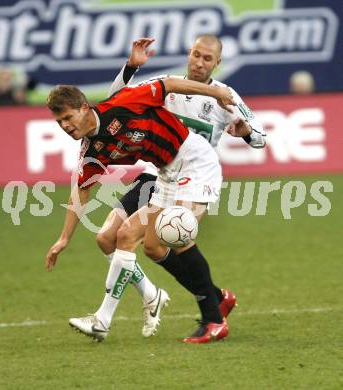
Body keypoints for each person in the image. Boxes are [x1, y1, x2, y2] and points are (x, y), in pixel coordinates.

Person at [64, 36, 266, 342]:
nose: (199, 62)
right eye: (196, 55)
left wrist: (246, 131)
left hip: (196, 172)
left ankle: (212, 315)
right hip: (158, 172)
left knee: (171, 235)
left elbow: (260, 137)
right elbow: (113, 103)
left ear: (217, 63)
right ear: (189, 54)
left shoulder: (226, 96)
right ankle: (211, 299)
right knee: (138, 242)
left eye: (207, 58)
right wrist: (131, 66)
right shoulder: (167, 84)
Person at [45, 74, 237, 343]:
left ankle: (214, 321)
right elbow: (82, 190)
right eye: (59, 122)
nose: (65, 126)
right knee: (137, 241)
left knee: (179, 234)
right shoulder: (91, 150)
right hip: (166, 174)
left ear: (84, 108)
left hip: (195, 161)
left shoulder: (123, 102)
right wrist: (64, 238)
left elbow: (168, 84)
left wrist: (213, 93)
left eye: (67, 117)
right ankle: (217, 298)